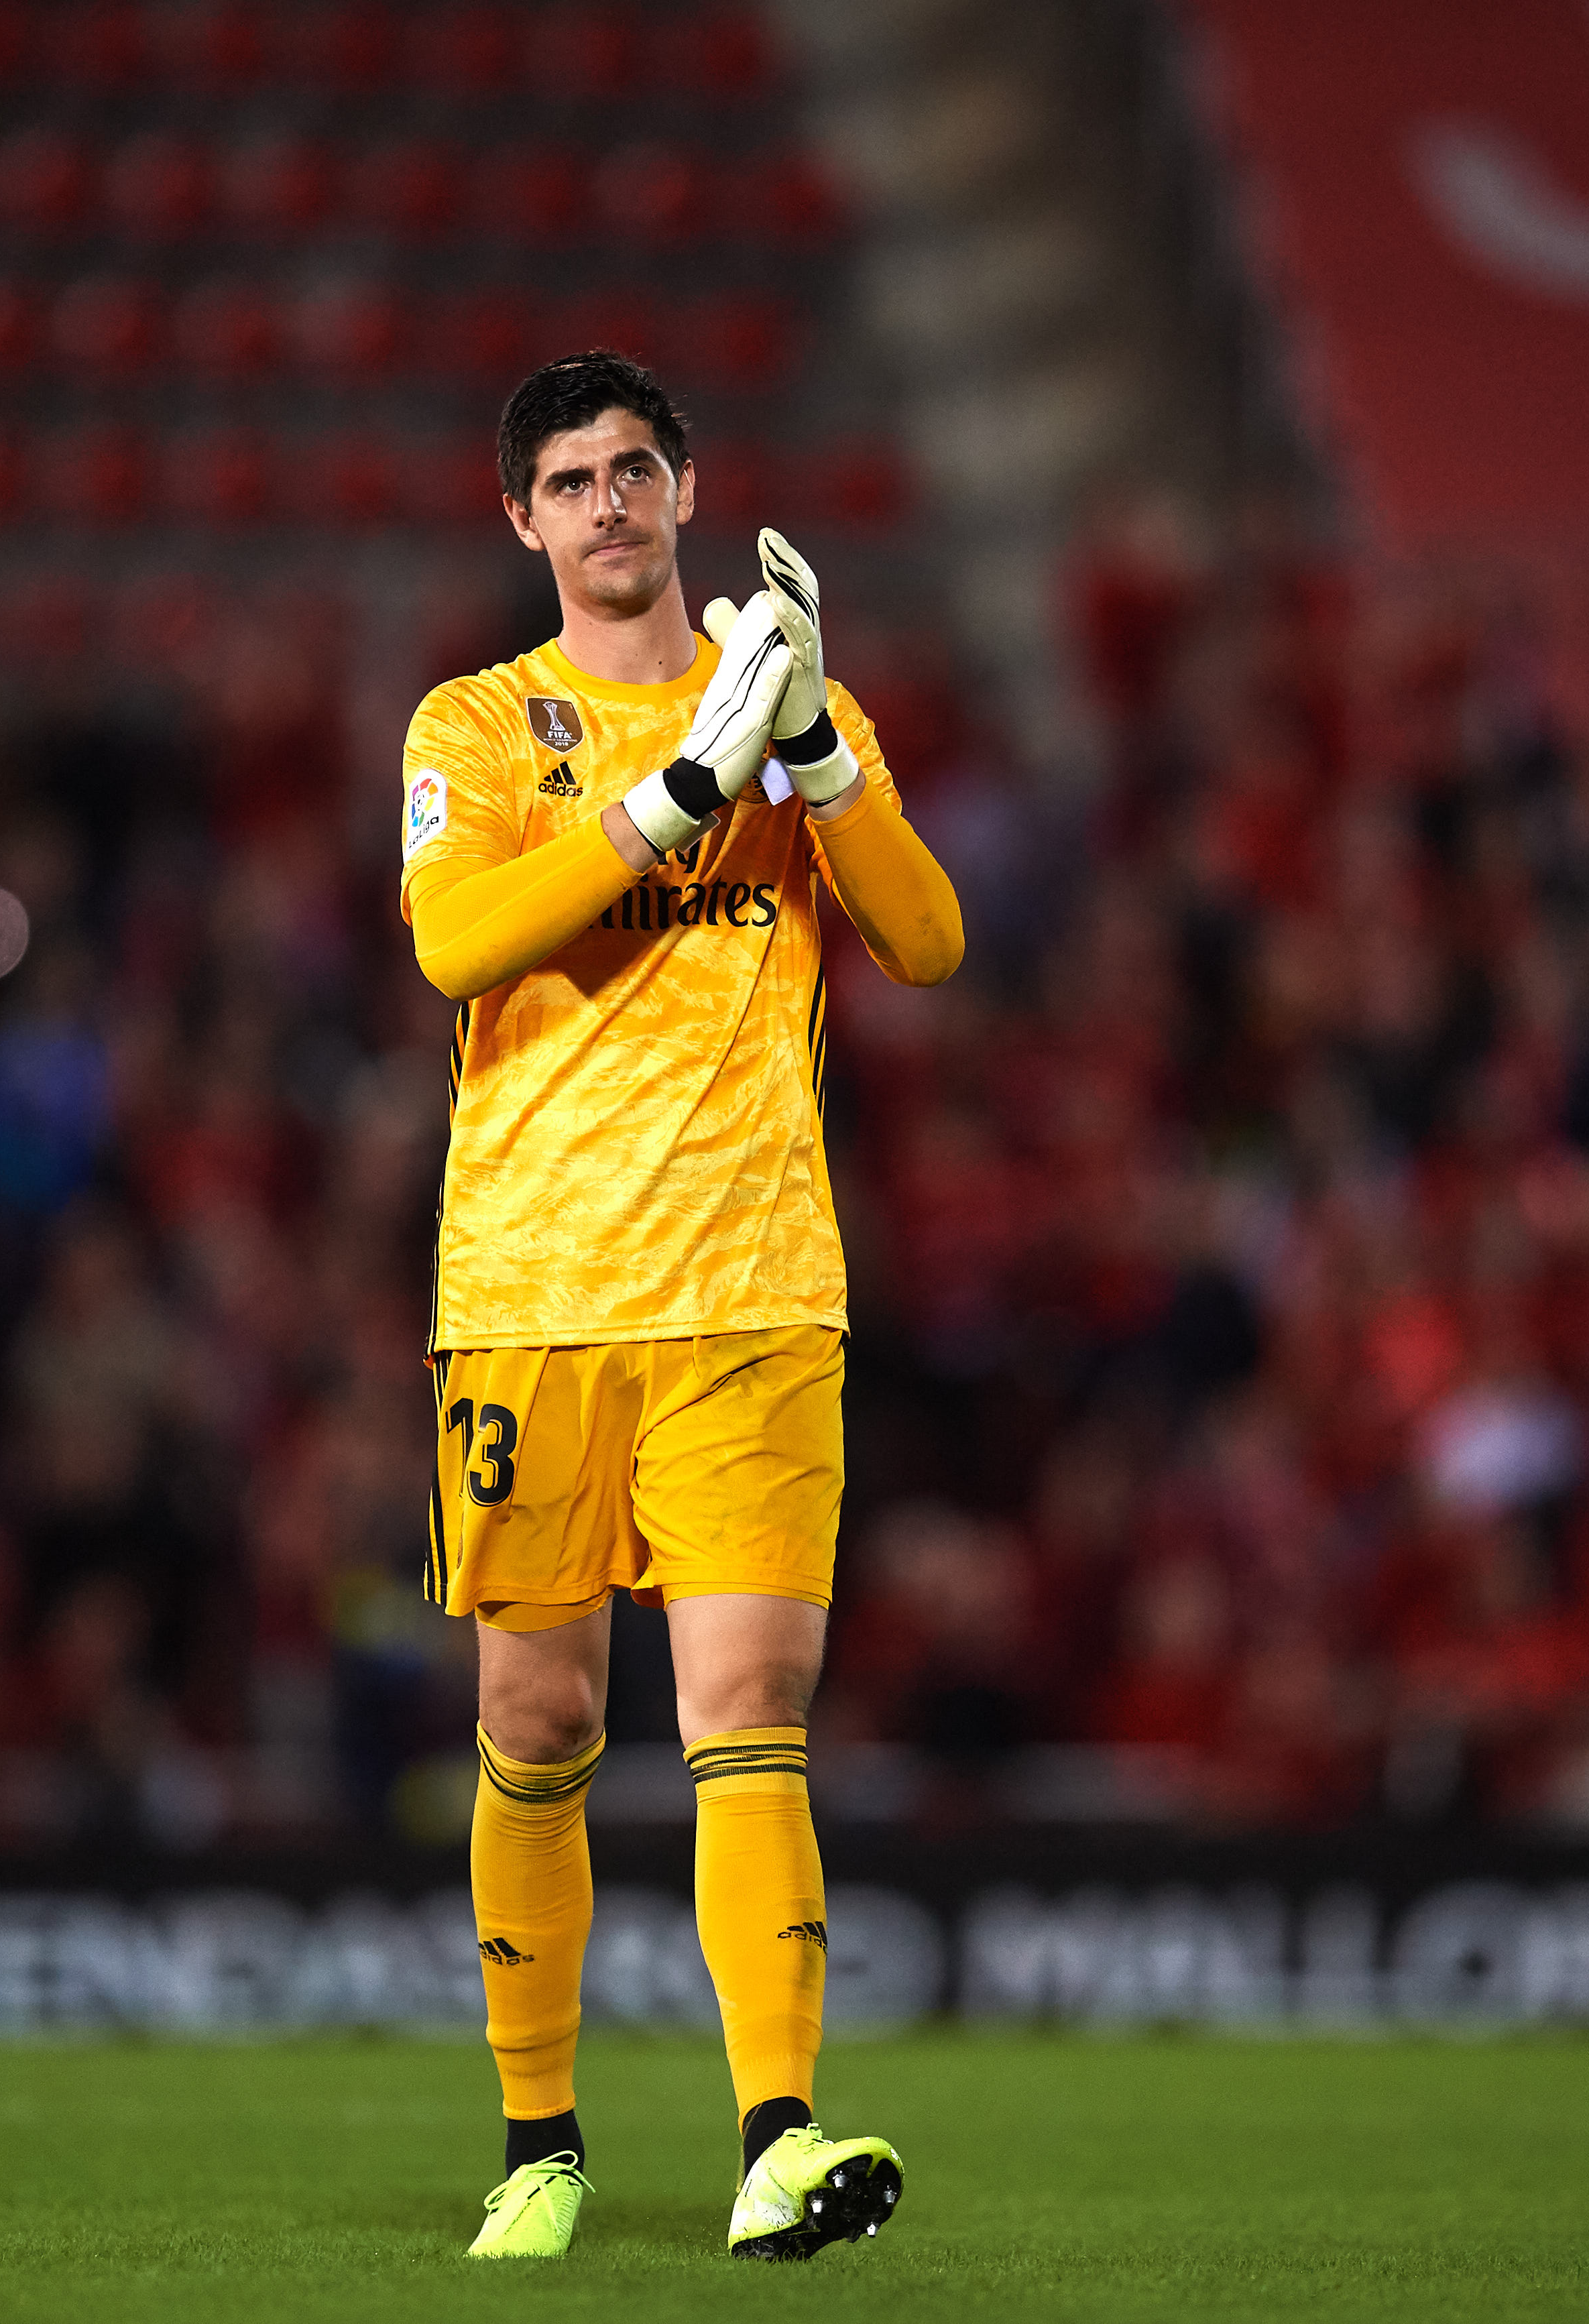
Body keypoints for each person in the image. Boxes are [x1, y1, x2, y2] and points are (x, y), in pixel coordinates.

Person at [399, 351, 963, 2261]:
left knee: (751, 1711)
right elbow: (456, 942)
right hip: (533, 1296)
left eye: (635, 468)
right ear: (523, 519)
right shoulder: (480, 724)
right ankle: (540, 2144)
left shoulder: (798, 707)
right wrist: (679, 792)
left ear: (689, 488)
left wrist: (810, 754)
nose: (610, 504)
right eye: (571, 481)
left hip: (752, 1290)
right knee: (537, 1717)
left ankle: (778, 2139)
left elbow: (928, 938)